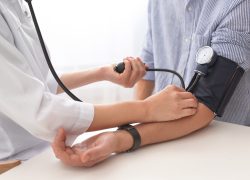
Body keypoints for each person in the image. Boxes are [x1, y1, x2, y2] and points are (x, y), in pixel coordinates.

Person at [52, 0, 250, 167]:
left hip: (219, 150)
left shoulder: (238, 5)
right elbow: (148, 69)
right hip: (155, 144)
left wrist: (122, 138)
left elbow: (206, 104)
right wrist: (130, 126)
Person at [0, 0, 198, 161]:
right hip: (15, 163)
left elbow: (37, 83)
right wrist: (146, 109)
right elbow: (39, 111)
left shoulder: (16, 5)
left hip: (43, 154)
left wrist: (102, 73)